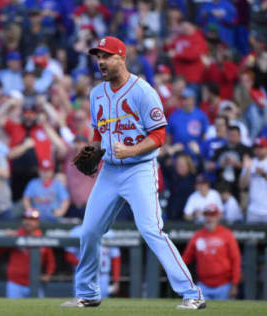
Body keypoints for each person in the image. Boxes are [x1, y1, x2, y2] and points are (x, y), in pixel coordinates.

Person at [61, 36, 205, 310]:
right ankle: (88, 293)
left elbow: (160, 136)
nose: (101, 62)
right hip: (110, 171)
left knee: (151, 230)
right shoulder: (96, 94)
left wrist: (130, 151)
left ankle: (192, 293)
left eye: (106, 56)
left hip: (139, 169)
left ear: (121, 58)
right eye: (98, 57)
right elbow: (98, 132)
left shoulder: (143, 91)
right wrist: (92, 148)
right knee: (89, 230)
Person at [0, 208, 56, 298]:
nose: (28, 222)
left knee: (38, 310)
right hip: (15, 283)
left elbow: (50, 261)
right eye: (26, 219)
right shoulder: (15, 235)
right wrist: (4, 238)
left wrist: (48, 274)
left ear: (38, 222)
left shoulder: (42, 239)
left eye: (32, 219)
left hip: (35, 283)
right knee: (12, 310)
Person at [182, 204, 241, 300]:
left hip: (224, 286)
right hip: (203, 285)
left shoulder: (227, 234)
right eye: (207, 215)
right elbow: (185, 259)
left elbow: (236, 260)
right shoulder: (198, 235)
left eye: (212, 215)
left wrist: (234, 284)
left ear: (217, 217)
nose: (209, 218)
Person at [65, 225, 121, 298]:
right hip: (83, 273)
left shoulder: (109, 233)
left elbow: (115, 258)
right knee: (81, 302)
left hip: (103, 275)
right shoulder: (77, 231)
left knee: (103, 304)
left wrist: (116, 280)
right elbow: (69, 256)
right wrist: (87, 265)